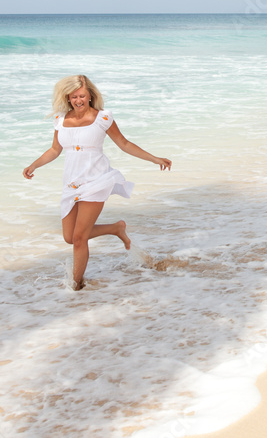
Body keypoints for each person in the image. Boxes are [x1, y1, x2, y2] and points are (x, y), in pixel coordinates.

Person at [23, 75, 171, 290]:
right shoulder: (61, 119)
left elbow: (124, 143)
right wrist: (34, 165)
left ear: (90, 95)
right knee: (69, 237)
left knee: (80, 238)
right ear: (68, 97)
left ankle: (76, 285)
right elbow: (55, 150)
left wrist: (155, 159)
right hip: (71, 183)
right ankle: (116, 228)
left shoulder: (103, 118)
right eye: (73, 96)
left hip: (97, 181)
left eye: (82, 95)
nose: (78, 100)